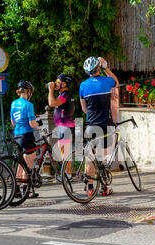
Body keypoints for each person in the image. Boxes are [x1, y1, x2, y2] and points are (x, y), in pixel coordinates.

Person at [79, 56, 119, 197]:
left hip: (90, 125)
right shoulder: (107, 81)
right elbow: (116, 82)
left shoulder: (83, 86)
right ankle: (103, 188)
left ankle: (90, 188)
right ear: (98, 68)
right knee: (102, 156)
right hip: (105, 124)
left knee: (90, 156)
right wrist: (106, 67)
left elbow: (84, 108)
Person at [10, 80, 40, 198]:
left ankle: (17, 189)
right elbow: (32, 124)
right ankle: (26, 190)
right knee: (28, 163)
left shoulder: (13, 103)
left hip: (17, 135)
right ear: (28, 91)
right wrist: (39, 122)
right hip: (27, 135)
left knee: (21, 163)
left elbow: (13, 122)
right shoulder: (28, 104)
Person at [47, 74, 76, 180]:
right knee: (63, 152)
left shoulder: (65, 95)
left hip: (65, 127)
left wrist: (50, 90)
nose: (56, 84)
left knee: (65, 152)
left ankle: (67, 175)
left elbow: (51, 103)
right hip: (62, 127)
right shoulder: (63, 95)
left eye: (59, 82)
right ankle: (67, 174)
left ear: (65, 84)